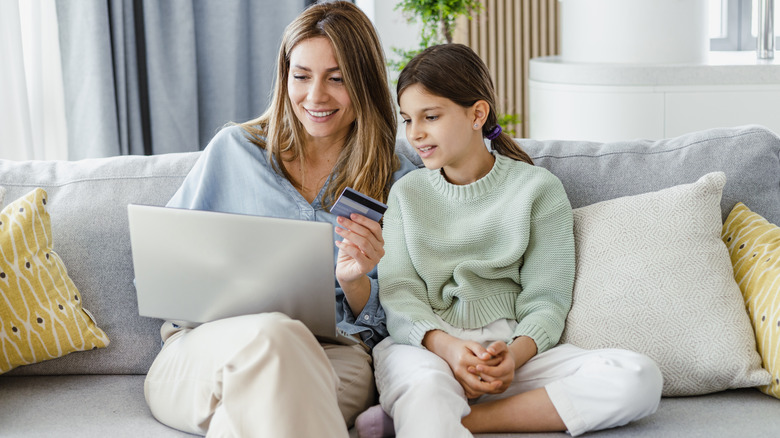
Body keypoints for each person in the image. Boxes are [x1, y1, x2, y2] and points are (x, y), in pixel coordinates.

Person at [359, 44, 663, 438]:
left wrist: (512, 358)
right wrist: (448, 348)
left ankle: (461, 419)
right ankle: (432, 410)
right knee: (428, 389)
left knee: (638, 376)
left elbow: (547, 300)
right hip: (428, 349)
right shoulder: (406, 194)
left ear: (477, 114)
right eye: (407, 119)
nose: (415, 133)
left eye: (430, 117)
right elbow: (399, 295)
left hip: (511, 350)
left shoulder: (538, 189)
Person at [142, 2, 418, 437]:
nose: (315, 96)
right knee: (275, 336)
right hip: (211, 347)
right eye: (301, 76)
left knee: (262, 405)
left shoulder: (400, 179)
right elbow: (160, 266)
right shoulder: (234, 151)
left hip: (335, 353)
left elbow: (407, 314)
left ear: (364, 82)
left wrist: (355, 283)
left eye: (337, 78)